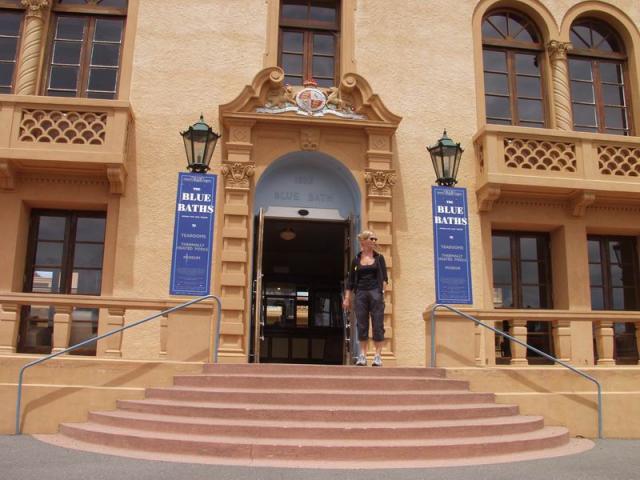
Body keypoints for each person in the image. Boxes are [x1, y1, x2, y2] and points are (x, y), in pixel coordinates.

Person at [343, 230, 388, 366]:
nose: (374, 241)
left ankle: (377, 356)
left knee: (378, 324)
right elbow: (350, 281)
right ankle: (362, 355)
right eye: (371, 239)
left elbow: (385, 279)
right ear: (363, 241)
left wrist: (381, 294)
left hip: (375, 292)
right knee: (362, 324)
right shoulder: (356, 260)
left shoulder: (379, 258)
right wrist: (347, 298)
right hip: (361, 293)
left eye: (375, 239)